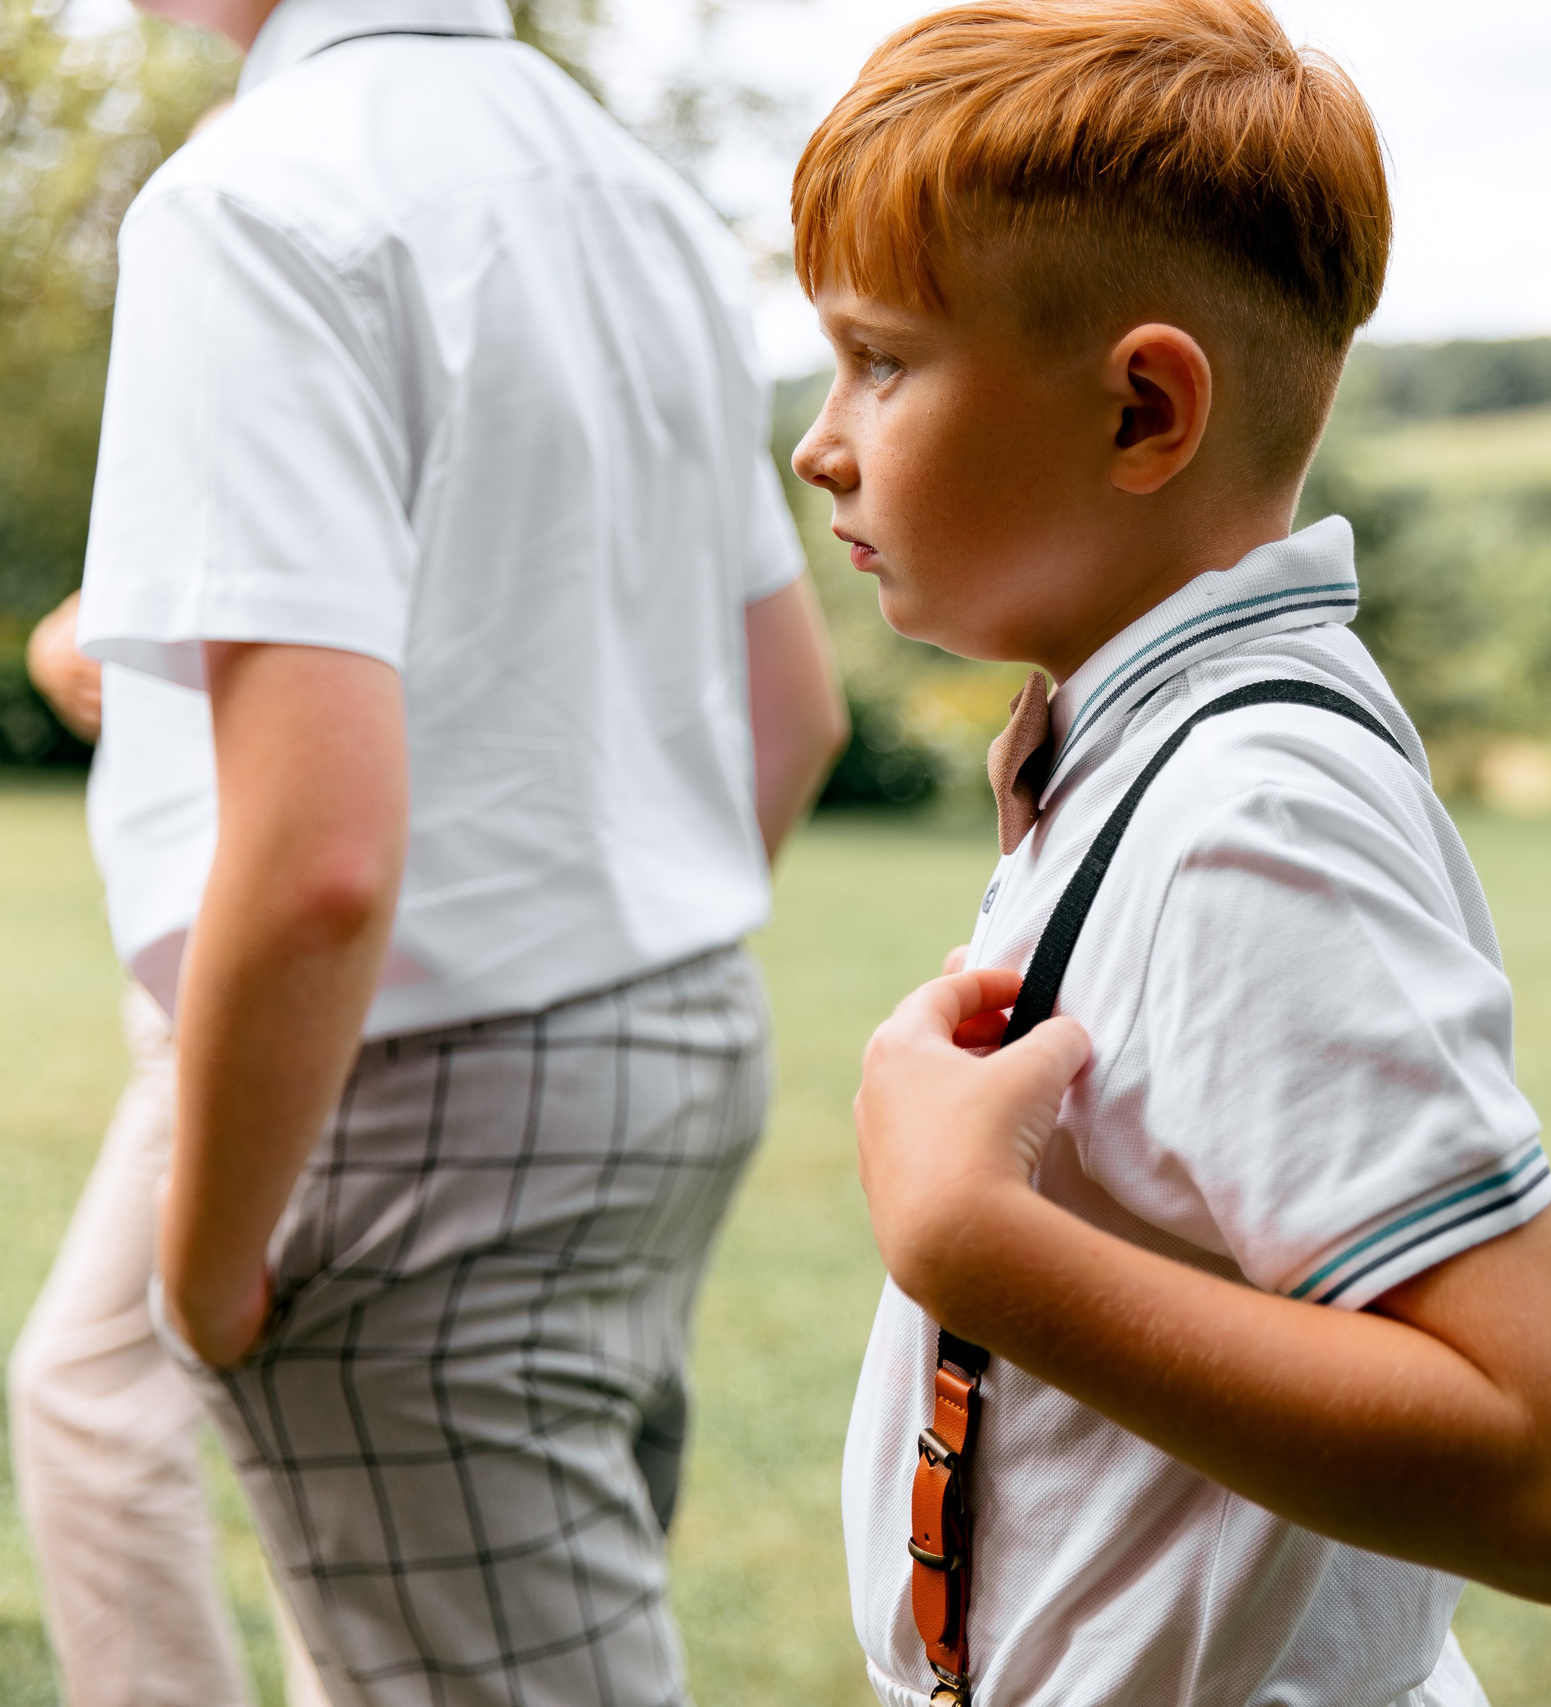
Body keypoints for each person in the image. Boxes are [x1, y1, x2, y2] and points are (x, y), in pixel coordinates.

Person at [788, 4, 1551, 1703]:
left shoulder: (1253, 816)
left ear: (1141, 412)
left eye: (882, 360)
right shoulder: (1141, 751)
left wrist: (975, 1245)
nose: (824, 438)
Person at [65, 0, 851, 1701]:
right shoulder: (632, 192)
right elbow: (792, 717)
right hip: (678, 1043)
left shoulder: (249, 199)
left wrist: (199, 1280)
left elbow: (325, 860)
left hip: (411, 1106)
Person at [13, 590, 329, 1707]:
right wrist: (78, 632)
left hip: (267, 990)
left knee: (93, 1395)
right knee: (320, 1426)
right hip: (224, 989)